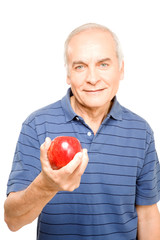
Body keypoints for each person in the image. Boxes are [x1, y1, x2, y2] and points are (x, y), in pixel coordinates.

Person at [4, 23, 160, 240]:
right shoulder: (37, 125)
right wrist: (47, 186)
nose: (93, 78)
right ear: (68, 74)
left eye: (103, 64)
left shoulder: (141, 132)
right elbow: (12, 220)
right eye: (80, 67)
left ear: (121, 69)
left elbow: (148, 215)